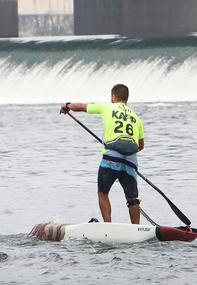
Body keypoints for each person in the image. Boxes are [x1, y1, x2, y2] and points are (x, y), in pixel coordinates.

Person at [61, 84, 144, 224]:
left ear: (113, 97)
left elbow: (81, 107)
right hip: (130, 160)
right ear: (127, 98)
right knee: (132, 198)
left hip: (111, 156)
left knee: (103, 192)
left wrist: (67, 106)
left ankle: (108, 226)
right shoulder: (136, 118)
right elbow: (140, 146)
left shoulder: (106, 107)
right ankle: (136, 229)